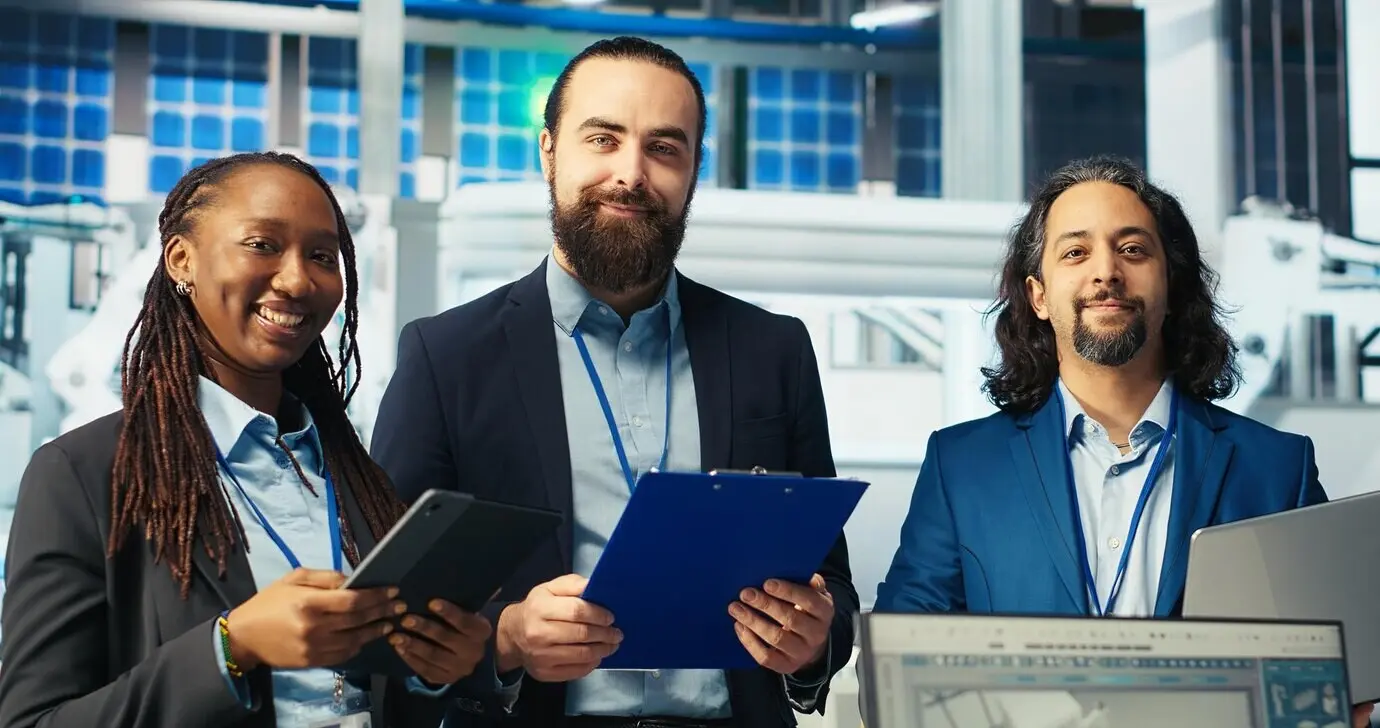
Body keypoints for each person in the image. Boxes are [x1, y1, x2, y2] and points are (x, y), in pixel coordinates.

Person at [371, 36, 857, 728]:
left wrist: (812, 645)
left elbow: (830, 584)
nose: (631, 173)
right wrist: (506, 637)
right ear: (549, 152)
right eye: (603, 139)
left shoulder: (771, 349)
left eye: (665, 148)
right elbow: (391, 613)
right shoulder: (447, 357)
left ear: (692, 170)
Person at [873, 155, 1374, 728]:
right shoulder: (961, 468)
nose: (1105, 271)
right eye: (1075, 252)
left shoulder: (1276, 468)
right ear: (1038, 295)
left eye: (1132, 250)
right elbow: (894, 679)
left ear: (1172, 282)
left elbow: (1332, 680)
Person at [0, 152, 491, 728]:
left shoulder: (357, 478)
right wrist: (231, 649)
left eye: (321, 256)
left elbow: (370, 696)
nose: (297, 279)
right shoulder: (84, 475)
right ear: (182, 259)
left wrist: (433, 671)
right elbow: (34, 722)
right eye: (262, 244)